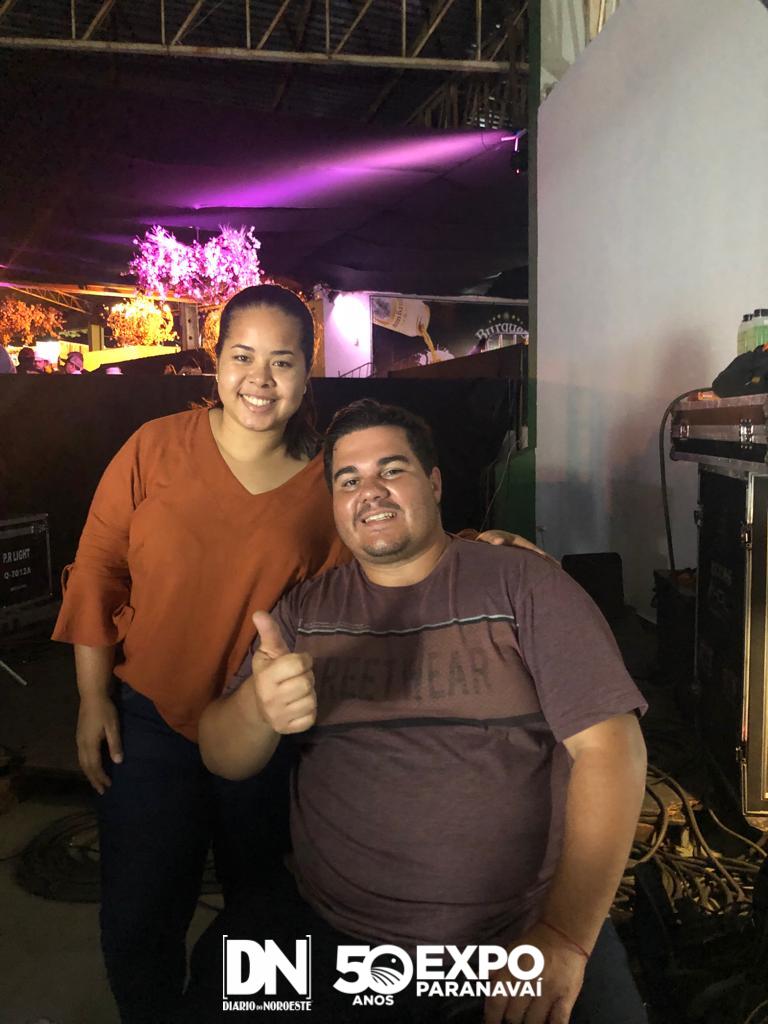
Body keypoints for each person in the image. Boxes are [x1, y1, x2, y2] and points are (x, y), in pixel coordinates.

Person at [52, 288, 526, 1024]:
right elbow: (96, 571)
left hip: (266, 734)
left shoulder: (323, 482)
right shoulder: (153, 448)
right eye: (243, 356)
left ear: (308, 373)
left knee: (263, 921)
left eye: (282, 361)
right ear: (216, 362)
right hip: (150, 726)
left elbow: (385, 552)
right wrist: (91, 698)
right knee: (139, 914)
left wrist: (472, 546)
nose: (260, 379)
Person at [193, 399, 649, 1024]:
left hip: (513, 935)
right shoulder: (304, 612)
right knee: (208, 993)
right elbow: (222, 755)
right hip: (332, 934)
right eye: (348, 480)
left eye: (392, 470)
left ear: (434, 483)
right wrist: (256, 707)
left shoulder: (523, 585)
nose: (370, 491)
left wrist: (566, 935)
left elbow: (611, 749)